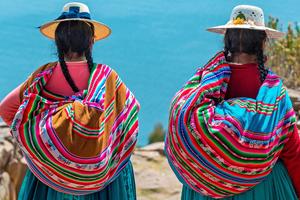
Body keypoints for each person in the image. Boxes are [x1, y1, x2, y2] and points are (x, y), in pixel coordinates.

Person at [0, 2, 139, 200]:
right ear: (91, 41)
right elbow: (131, 116)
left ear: (58, 41)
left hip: (49, 179)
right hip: (101, 184)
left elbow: (6, 109)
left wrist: (39, 141)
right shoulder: (107, 77)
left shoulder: (42, 77)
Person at [165, 5, 300, 200]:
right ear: (263, 43)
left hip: (207, 190)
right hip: (264, 189)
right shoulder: (273, 93)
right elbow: (293, 153)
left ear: (226, 41)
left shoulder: (205, 84)